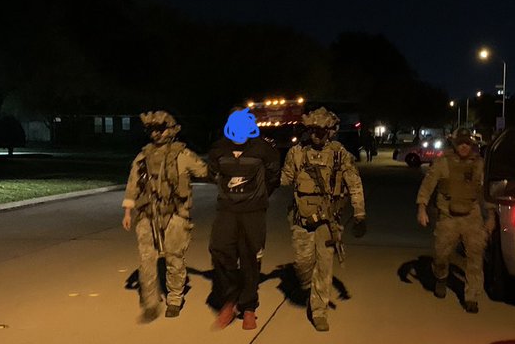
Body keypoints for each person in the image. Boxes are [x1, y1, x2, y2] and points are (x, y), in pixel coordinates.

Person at [280, 107, 366, 331]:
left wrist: (359, 214)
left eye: (322, 130)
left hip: (329, 222)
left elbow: (354, 184)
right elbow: (285, 178)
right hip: (301, 219)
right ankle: (308, 286)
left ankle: (319, 310)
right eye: (314, 130)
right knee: (303, 264)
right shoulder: (297, 153)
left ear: (331, 131)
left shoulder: (340, 154)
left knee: (325, 266)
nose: (317, 135)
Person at [121, 111, 209, 322]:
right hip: (147, 215)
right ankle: (150, 302)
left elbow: (204, 171)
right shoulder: (143, 157)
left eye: (160, 129)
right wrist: (127, 211)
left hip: (175, 214)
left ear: (171, 130)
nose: (156, 134)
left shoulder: (182, 155)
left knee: (174, 257)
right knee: (146, 260)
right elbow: (133, 184)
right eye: (152, 130)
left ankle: (175, 298)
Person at [208, 107, 281, 330]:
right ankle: (229, 301)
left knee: (250, 257)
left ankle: (248, 307)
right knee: (220, 251)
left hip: (253, 213)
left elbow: (273, 177)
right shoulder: (219, 148)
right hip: (227, 211)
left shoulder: (263, 149)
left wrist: (258, 198)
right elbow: (213, 175)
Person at [415, 128, 496, 313]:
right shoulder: (443, 162)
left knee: (475, 257)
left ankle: (471, 296)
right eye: (461, 143)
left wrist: (491, 216)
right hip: (448, 216)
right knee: (441, 255)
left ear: (472, 145)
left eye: (467, 143)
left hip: (472, 216)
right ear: (455, 144)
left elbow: (486, 192)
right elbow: (428, 184)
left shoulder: (479, 164)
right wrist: (422, 207)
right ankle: (441, 277)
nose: (464, 147)